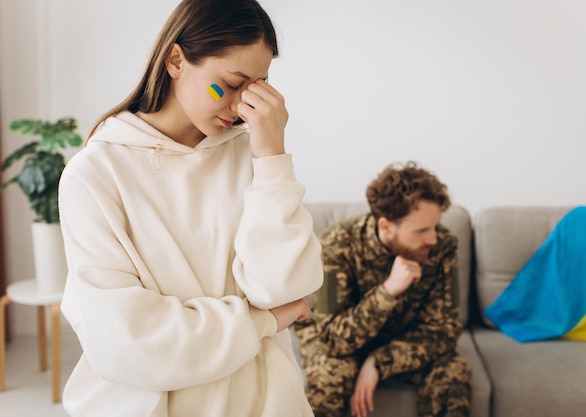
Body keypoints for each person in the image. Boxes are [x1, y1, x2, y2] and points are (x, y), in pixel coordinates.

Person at [58, 1, 323, 416]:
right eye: (231, 83)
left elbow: (286, 289)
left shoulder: (255, 155)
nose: (240, 107)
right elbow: (127, 343)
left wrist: (272, 156)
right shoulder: (93, 175)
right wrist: (262, 321)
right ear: (176, 60)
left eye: (258, 87)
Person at [295, 161, 471, 417]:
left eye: (434, 226)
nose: (433, 238)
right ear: (386, 226)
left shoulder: (442, 246)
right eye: (422, 230)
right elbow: (333, 338)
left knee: (454, 372)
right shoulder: (337, 244)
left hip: (404, 338)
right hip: (340, 340)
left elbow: (445, 329)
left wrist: (380, 361)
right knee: (330, 375)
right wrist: (387, 292)